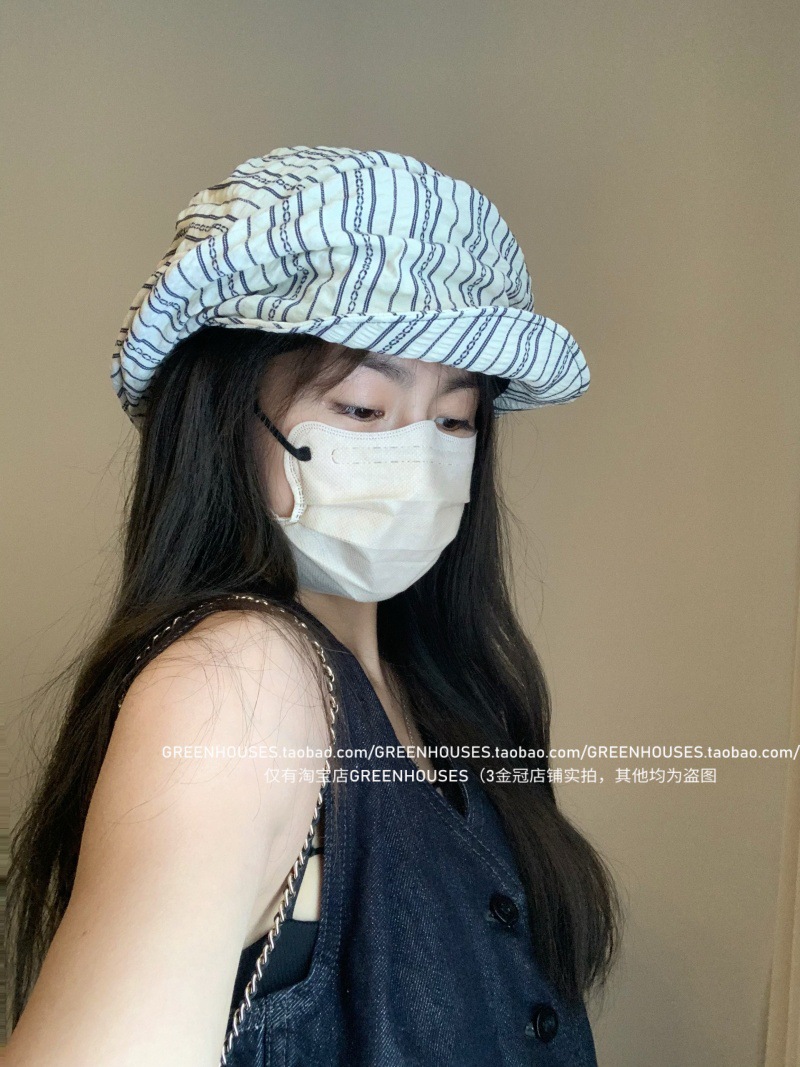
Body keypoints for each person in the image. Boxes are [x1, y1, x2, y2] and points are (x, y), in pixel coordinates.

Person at [7, 146, 624, 1066]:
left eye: (455, 419)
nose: (418, 458)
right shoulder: (235, 687)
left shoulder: (448, 697)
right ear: (226, 415)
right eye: (364, 409)